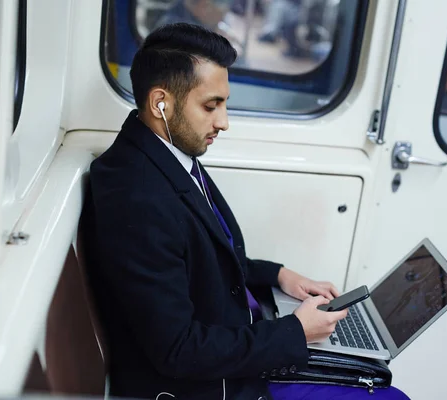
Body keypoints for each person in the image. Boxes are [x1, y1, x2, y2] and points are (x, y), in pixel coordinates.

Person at [83, 22, 349, 400]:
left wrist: (279, 276)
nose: (223, 122)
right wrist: (294, 331)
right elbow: (178, 350)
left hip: (239, 350)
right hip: (212, 385)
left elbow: (202, 258)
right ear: (161, 103)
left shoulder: (167, 153)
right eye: (211, 106)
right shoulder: (136, 195)